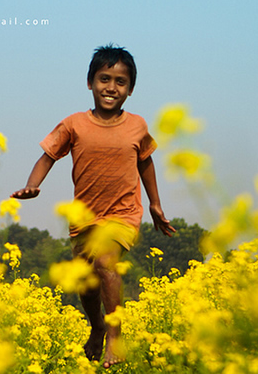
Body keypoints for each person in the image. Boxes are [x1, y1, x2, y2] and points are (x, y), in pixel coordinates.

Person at [11, 45, 176, 369]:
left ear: (130, 90)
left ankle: (115, 334)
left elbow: (146, 162)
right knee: (86, 284)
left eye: (120, 82)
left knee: (105, 261)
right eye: (104, 79)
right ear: (90, 83)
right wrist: (34, 184)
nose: (111, 87)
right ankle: (97, 326)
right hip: (85, 218)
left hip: (124, 214)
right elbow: (48, 156)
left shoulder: (137, 126)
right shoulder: (74, 124)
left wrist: (155, 204)